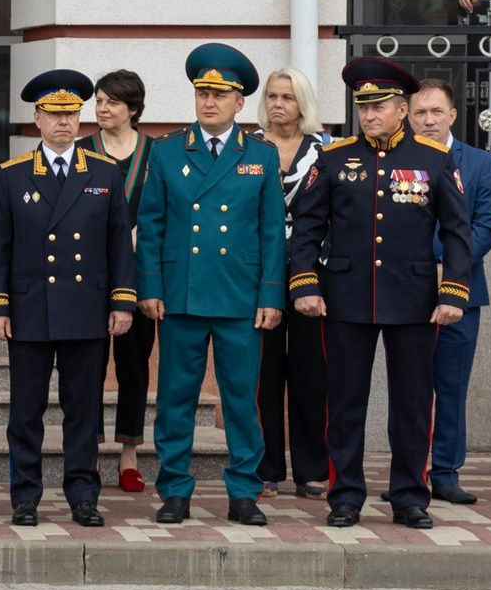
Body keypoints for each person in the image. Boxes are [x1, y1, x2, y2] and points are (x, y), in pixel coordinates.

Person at [288, 57, 473, 530]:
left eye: (378, 107)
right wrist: (305, 282)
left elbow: (458, 231)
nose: (368, 115)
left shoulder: (433, 158)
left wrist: (453, 291)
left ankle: (410, 497)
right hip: (346, 300)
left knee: (413, 404)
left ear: (402, 110)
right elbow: (307, 227)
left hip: (414, 302)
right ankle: (345, 496)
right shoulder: (335, 158)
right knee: (344, 403)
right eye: (363, 107)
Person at [137, 44, 288, 525]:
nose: (209, 102)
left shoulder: (260, 155)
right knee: (175, 398)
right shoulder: (166, 151)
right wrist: (150, 286)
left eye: (220, 95)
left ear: (239, 103)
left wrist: (271, 294)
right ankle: (174, 489)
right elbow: (151, 224)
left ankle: (244, 491)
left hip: (240, 295)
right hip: (181, 293)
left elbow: (272, 232)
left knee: (241, 399)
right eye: (203, 93)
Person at [0, 70, 134, 527]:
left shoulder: (104, 172)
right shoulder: (12, 175)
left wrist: (122, 301)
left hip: (85, 310)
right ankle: (25, 497)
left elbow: (118, 244)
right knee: (25, 412)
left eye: (70, 114)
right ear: (37, 119)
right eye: (53, 114)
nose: (63, 122)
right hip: (29, 309)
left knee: (83, 411)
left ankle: (83, 496)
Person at [410, 76, 491, 506]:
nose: (428, 120)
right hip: (406, 291)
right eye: (419, 113)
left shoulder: (479, 163)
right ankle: (408, 472)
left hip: (461, 291)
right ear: (408, 117)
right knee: (409, 388)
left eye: (435, 112)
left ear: (452, 115)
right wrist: (423, 263)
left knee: (451, 386)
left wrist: (449, 263)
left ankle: (445, 472)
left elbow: (486, 226)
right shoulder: (396, 160)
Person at [252, 65, 332, 499]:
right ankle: (265, 467)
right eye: (272, 96)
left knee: (311, 373)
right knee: (262, 374)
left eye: (287, 97)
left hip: (312, 275)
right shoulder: (249, 148)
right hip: (257, 274)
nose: (278, 104)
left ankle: (311, 469)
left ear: (303, 103)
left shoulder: (327, 150)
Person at [90, 71, 161, 494]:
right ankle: (91, 451)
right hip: (90, 277)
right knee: (89, 367)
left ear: (132, 108)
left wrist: (140, 236)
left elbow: (170, 210)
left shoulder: (157, 153)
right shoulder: (84, 151)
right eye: (99, 101)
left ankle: (129, 454)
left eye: (111, 102)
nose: (102, 109)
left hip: (140, 275)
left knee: (134, 366)